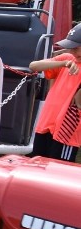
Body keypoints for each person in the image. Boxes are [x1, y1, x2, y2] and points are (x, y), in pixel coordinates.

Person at [28, 24, 81, 162]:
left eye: (76, 47)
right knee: (37, 165)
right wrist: (62, 63)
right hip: (46, 123)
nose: (72, 51)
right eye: (71, 47)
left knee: (59, 171)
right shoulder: (67, 58)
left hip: (66, 132)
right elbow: (33, 66)